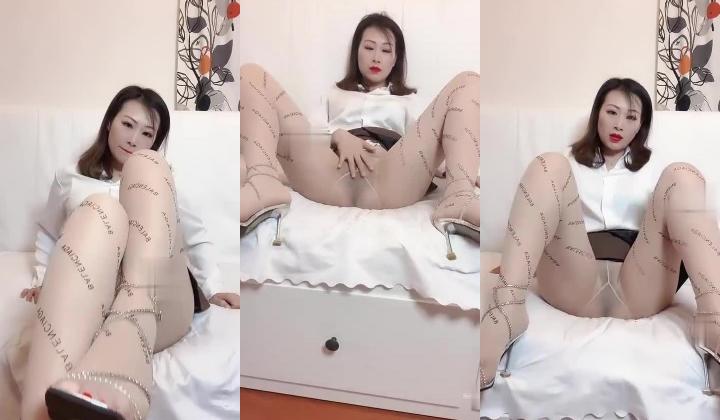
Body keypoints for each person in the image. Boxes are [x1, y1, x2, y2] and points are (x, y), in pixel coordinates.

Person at [480, 77, 720, 393]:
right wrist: (512, 268)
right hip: (576, 279)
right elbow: (538, 223)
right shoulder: (566, 163)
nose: (619, 124)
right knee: (548, 164)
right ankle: (505, 310)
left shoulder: (657, 168)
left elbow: (684, 230)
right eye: (612, 112)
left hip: (639, 285)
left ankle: (715, 321)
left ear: (641, 125)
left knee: (683, 175)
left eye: (631, 117)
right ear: (597, 114)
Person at [19, 86, 240, 420]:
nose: (134, 139)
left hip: (159, 293)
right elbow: (49, 234)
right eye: (128, 125)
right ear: (110, 122)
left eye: (147, 133)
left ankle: (132, 320)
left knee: (148, 169)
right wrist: (43, 280)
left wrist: (214, 287)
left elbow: (196, 239)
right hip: (93, 295)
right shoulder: (70, 178)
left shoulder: (164, 179)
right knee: (101, 210)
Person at [239, 12, 480, 259]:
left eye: (386, 50)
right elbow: (311, 134)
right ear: (357, 51)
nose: (376, 57)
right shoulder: (333, 94)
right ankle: (262, 183)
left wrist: (459, 168)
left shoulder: (410, 101)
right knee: (250, 74)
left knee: (469, 81)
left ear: (396, 59)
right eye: (369, 47)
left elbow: (425, 148)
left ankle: (460, 194)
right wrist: (339, 136)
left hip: (389, 175)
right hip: (328, 170)